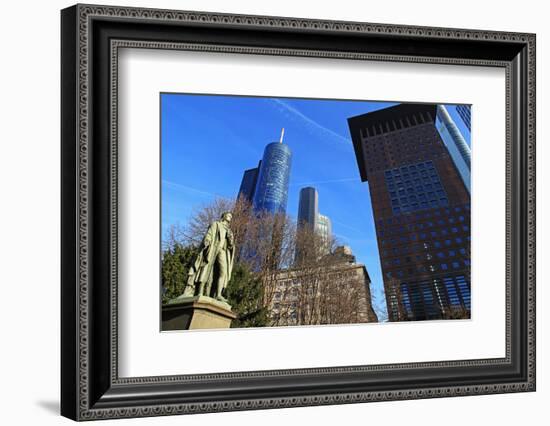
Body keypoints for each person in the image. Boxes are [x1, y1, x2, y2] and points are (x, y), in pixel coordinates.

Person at [185, 212, 235, 302]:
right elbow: (209, 234)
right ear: (223, 216)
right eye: (228, 215)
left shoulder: (229, 230)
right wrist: (207, 240)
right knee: (206, 269)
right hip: (213, 248)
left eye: (231, 216)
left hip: (222, 251)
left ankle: (218, 295)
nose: (230, 217)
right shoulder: (216, 224)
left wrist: (230, 239)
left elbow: (231, 246)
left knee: (223, 272)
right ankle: (200, 291)